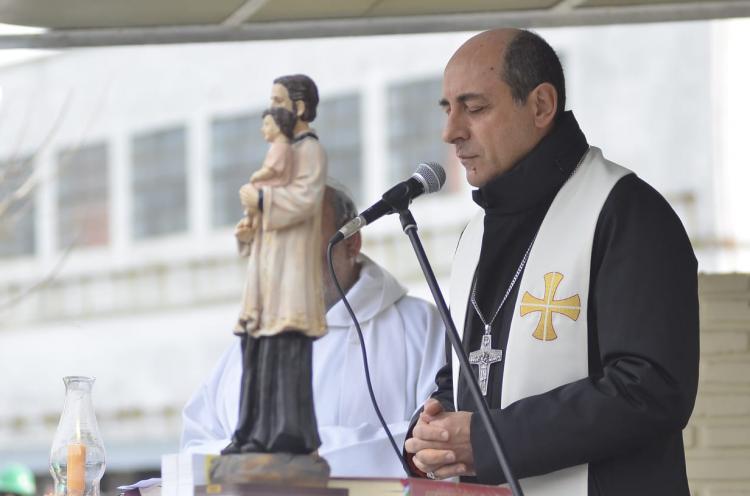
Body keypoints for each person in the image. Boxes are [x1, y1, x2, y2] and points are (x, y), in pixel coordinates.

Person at [404, 29, 699, 495]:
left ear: (541, 106)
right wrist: (434, 432)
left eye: (475, 108)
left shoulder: (626, 213)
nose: (451, 132)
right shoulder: (474, 234)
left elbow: (650, 389)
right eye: (448, 109)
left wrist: (487, 440)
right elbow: (466, 370)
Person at [182, 186, 446, 476]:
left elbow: (435, 445)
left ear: (351, 243)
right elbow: (193, 450)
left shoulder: (419, 327)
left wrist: (301, 460)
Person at [224, 74, 328, 455]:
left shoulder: (310, 151)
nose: (271, 109)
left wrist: (263, 201)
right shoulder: (284, 149)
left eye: (278, 101)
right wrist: (252, 223)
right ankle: (252, 432)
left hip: (290, 273)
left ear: (299, 108)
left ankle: (285, 434)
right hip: (267, 271)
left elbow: (304, 200)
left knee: (284, 348)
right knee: (256, 346)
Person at [234, 107, 298, 254]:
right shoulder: (276, 147)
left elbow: (272, 170)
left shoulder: (281, 148)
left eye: (267, 124)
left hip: (275, 187)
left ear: (279, 126)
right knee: (248, 193)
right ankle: (249, 225)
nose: (263, 129)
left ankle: (250, 224)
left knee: (251, 191)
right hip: (270, 195)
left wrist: (257, 177)